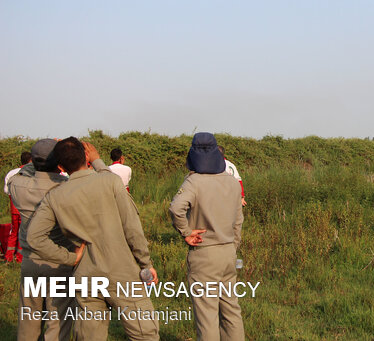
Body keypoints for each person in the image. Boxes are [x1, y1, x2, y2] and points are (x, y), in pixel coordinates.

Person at [27, 137, 159, 341]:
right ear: (86, 157)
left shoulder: (55, 197)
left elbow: (34, 238)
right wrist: (145, 263)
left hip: (86, 276)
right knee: (144, 334)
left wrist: (70, 258)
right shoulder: (110, 181)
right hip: (123, 273)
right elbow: (132, 228)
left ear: (61, 166)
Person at [8, 139, 108, 341]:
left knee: (29, 320)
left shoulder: (17, 185)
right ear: (59, 162)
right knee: (58, 321)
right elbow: (104, 182)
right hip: (61, 260)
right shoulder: (67, 187)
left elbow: (23, 172)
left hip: (30, 261)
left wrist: (40, 155)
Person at [170, 133, 244, 341]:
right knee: (231, 311)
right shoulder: (231, 182)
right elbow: (238, 220)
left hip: (205, 252)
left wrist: (186, 232)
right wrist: (232, 244)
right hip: (228, 251)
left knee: (207, 315)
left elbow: (176, 208)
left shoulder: (194, 181)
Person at [3, 151, 32, 262]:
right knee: (24, 232)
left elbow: (7, 191)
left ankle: (9, 256)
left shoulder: (11, 173)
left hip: (14, 207)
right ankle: (20, 257)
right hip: (26, 207)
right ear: (30, 161)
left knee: (14, 231)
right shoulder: (32, 172)